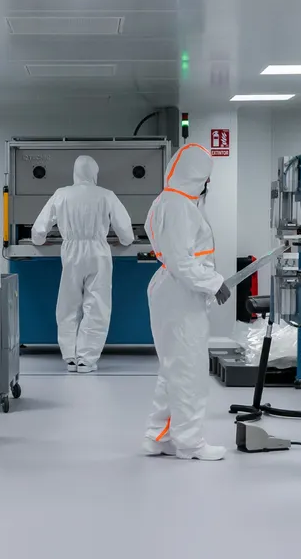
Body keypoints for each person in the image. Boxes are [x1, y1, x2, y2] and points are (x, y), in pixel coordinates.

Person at [142, 143, 230, 460]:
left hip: (175, 289)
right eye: (206, 177)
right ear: (196, 175)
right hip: (180, 291)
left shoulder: (172, 201)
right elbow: (181, 260)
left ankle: (159, 436)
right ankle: (190, 443)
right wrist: (213, 283)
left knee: (173, 368)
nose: (208, 184)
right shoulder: (177, 205)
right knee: (189, 370)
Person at [31, 154, 137, 373]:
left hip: (70, 252)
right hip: (98, 252)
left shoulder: (61, 194)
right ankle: (87, 359)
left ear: (75, 172)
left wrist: (40, 240)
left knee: (68, 303)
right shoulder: (106, 195)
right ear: (95, 173)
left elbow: (39, 230)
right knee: (96, 305)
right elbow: (126, 232)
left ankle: (70, 356)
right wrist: (124, 241)